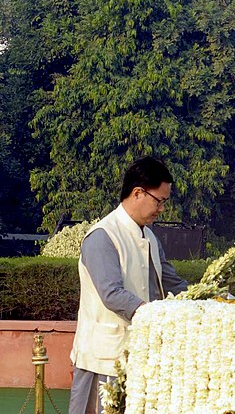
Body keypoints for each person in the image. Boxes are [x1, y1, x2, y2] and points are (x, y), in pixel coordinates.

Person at [69, 156, 188, 414]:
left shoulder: (150, 237)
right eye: (160, 201)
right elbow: (111, 294)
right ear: (137, 193)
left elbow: (172, 283)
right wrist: (152, 314)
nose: (162, 209)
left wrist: (217, 301)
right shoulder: (102, 236)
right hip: (103, 359)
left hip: (138, 354)